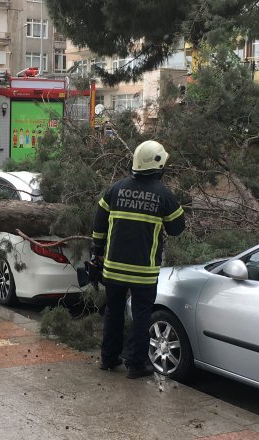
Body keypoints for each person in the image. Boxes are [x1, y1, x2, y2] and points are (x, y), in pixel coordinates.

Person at [91, 140, 186, 379]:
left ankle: (108, 359)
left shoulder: (115, 189)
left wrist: (97, 250)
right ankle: (136, 364)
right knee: (141, 316)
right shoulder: (163, 195)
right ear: (159, 165)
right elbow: (177, 229)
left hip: (113, 268)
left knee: (113, 312)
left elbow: (99, 224)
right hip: (143, 271)